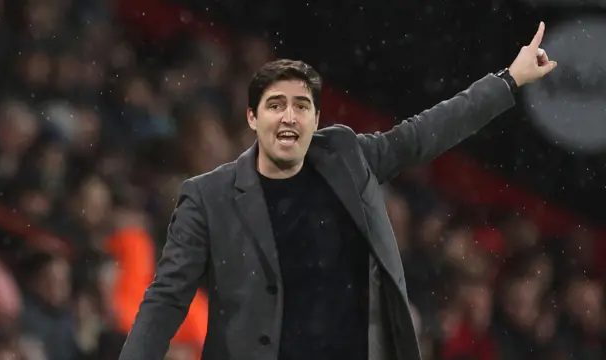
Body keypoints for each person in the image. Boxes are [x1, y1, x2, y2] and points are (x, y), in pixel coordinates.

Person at [119, 22, 557, 360]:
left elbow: (425, 134)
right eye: (276, 105)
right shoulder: (207, 196)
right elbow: (167, 297)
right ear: (252, 118)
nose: (289, 117)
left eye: (302, 106)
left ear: (315, 119)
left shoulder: (346, 155)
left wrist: (509, 79)